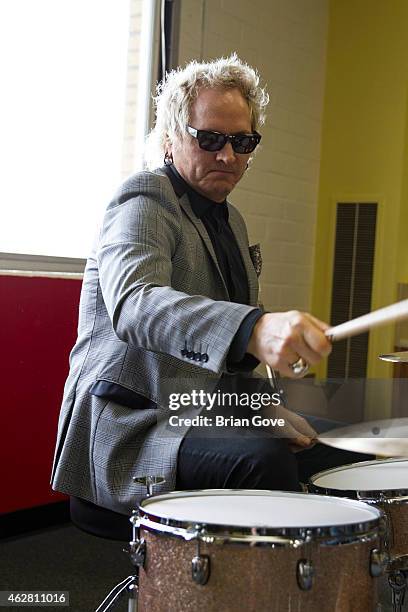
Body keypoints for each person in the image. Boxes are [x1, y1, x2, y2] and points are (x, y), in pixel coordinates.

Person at [51, 55, 367, 540]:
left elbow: (227, 366)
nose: (228, 156)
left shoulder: (231, 220)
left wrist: (264, 410)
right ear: (173, 136)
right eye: (210, 138)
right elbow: (135, 303)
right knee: (263, 462)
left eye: (242, 142)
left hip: (200, 409)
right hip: (134, 424)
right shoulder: (142, 198)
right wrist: (254, 327)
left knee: (346, 447)